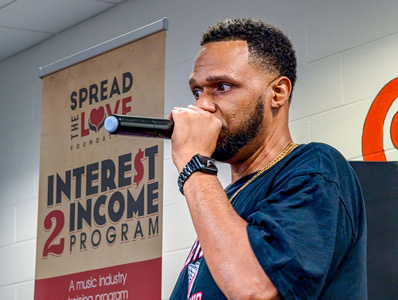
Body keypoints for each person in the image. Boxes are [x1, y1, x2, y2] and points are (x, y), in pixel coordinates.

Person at [168, 18, 367, 300]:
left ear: (278, 92)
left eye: (222, 87)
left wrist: (194, 163)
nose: (202, 105)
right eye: (197, 91)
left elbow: (254, 289)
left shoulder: (316, 167)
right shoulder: (227, 198)